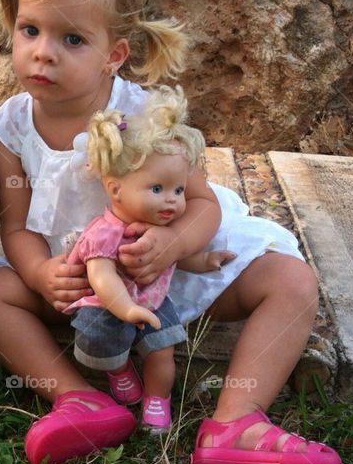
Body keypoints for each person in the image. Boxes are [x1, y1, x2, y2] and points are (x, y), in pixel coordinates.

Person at [0, 0, 340, 464]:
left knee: (292, 281)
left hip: (166, 272)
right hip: (81, 278)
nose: (43, 52)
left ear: (114, 53)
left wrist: (170, 240)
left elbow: (204, 204)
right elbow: (16, 227)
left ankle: (236, 421)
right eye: (30, 30)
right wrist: (39, 274)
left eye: (72, 39)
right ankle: (80, 402)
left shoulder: (144, 115)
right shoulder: (11, 126)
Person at [66, 85, 235, 434]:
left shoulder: (161, 227)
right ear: (115, 190)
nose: (172, 201)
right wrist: (126, 309)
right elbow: (102, 276)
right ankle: (118, 370)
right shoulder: (104, 233)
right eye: (158, 190)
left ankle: (157, 399)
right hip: (109, 305)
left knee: (163, 352)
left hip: (155, 302)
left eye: (179, 190)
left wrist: (204, 260)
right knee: (105, 346)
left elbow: (172, 260)